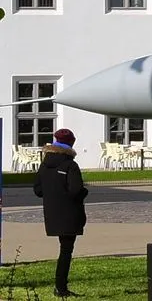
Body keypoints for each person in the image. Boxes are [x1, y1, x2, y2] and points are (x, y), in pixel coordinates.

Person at [33, 128, 88, 298]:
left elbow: (38, 190)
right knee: (66, 250)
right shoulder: (70, 164)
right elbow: (75, 190)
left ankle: (60, 286)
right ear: (71, 143)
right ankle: (60, 287)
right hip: (69, 213)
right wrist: (84, 192)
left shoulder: (45, 164)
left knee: (64, 249)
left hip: (52, 213)